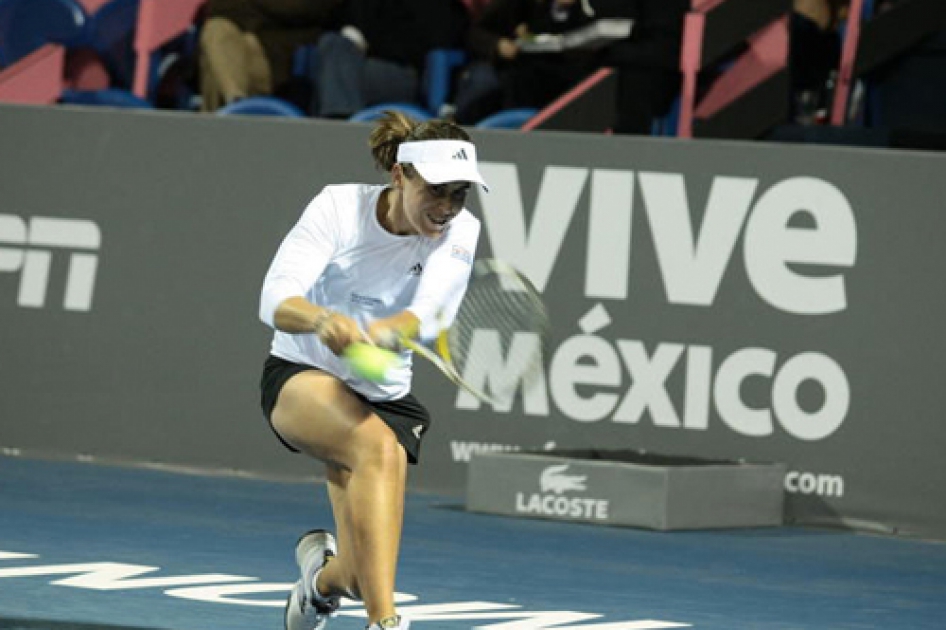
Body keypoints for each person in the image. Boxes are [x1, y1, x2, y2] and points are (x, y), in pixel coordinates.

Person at [258, 111, 488, 630]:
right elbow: (274, 297)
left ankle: (319, 583)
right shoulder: (339, 206)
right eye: (437, 190)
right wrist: (320, 319)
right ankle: (386, 624)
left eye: (459, 194)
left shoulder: (460, 231)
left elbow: (432, 310)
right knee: (379, 446)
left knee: (363, 575)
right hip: (301, 374)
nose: (447, 207)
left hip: (383, 393)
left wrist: (387, 330)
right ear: (399, 175)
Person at [307, 0, 469, 118]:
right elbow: (334, 20)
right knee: (333, 44)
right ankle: (338, 119)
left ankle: (338, 124)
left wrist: (368, 44)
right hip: (353, 66)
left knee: (332, 75)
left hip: (403, 71)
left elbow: (430, 38)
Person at [199, 0, 345, 112]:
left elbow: (302, 7)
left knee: (216, 64)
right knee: (217, 30)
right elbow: (218, 7)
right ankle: (236, 105)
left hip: (283, 61)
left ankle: (223, 123)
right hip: (235, 52)